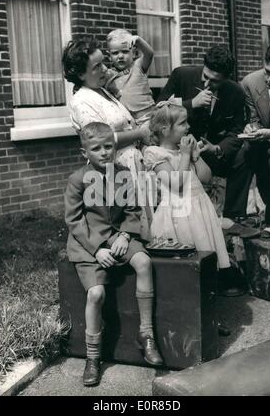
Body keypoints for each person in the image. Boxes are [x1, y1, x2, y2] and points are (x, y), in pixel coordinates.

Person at [65, 122, 163, 387]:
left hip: (119, 236)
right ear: (84, 151)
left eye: (109, 146)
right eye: (96, 148)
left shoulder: (123, 174)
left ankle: (146, 334)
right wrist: (97, 249)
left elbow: (133, 210)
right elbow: (74, 221)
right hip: (88, 243)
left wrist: (125, 235)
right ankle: (93, 357)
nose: (104, 152)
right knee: (96, 294)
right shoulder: (78, 179)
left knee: (143, 261)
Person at [62, 38, 152, 239]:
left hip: (132, 163)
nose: (104, 69)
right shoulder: (81, 102)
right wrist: (140, 133)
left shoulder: (102, 90)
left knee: (144, 216)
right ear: (80, 74)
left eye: (103, 62)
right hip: (112, 169)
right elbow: (100, 140)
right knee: (127, 223)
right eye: (97, 67)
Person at [158, 46, 247, 222]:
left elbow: (237, 131)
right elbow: (159, 108)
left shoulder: (236, 92)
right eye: (205, 76)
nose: (207, 84)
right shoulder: (181, 75)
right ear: (203, 65)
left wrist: (216, 148)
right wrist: (191, 104)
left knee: (245, 154)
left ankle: (233, 216)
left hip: (210, 152)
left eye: (214, 81)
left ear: (226, 79)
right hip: (180, 149)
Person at [143, 101, 230, 269]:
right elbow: (176, 185)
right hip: (179, 214)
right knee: (189, 253)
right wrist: (185, 155)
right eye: (182, 123)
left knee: (206, 248)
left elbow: (206, 178)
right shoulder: (155, 153)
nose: (188, 126)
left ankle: (209, 283)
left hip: (200, 207)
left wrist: (196, 157)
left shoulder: (184, 151)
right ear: (165, 130)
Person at [241, 40, 270, 227]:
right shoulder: (250, 83)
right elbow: (252, 118)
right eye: (267, 71)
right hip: (264, 146)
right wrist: (251, 127)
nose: (269, 79)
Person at [105, 28, 155, 129]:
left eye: (125, 51)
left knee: (149, 138)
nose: (120, 56)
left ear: (134, 53)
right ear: (109, 56)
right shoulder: (108, 75)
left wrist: (138, 40)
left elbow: (149, 54)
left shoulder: (138, 66)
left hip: (147, 117)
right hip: (127, 123)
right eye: (115, 53)